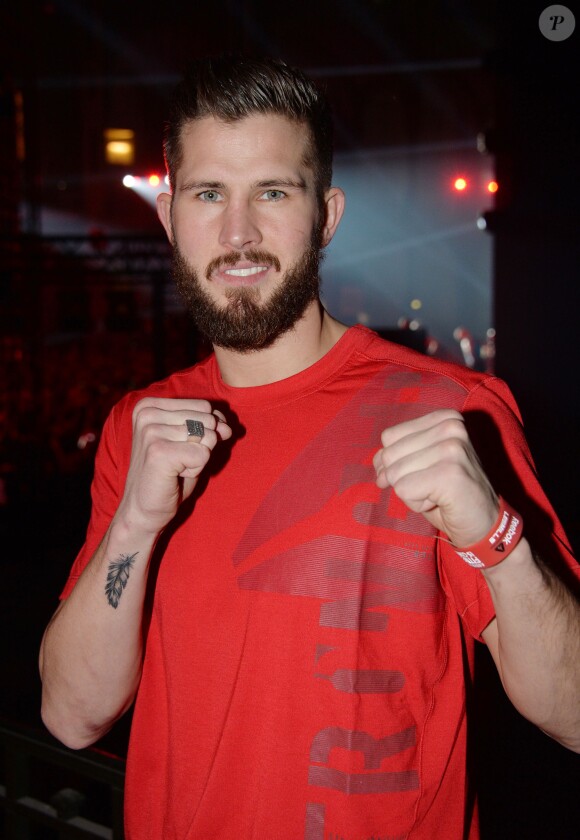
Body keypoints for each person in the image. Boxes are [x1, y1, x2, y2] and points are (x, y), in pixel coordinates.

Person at [39, 55, 580, 840]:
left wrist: (498, 542)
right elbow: (71, 715)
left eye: (272, 192)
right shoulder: (141, 425)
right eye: (208, 193)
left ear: (326, 216)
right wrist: (133, 525)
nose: (237, 233)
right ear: (168, 216)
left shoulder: (452, 411)